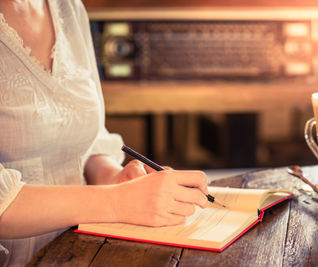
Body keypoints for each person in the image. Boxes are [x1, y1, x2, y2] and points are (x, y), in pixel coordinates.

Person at [0, 0, 209, 265]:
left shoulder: (68, 8)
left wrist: (114, 176)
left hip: (79, 250)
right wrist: (119, 202)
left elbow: (87, 136)